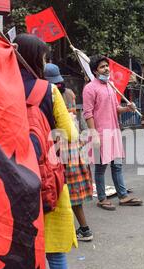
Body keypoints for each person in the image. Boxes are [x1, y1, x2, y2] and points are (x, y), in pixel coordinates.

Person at [15, 34, 77, 269]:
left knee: (19, 254)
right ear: (35, 59)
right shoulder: (48, 90)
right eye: (43, 57)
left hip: (11, 178)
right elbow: (69, 135)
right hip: (47, 178)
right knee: (55, 254)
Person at [82, 54, 143, 210]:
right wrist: (93, 134)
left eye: (106, 66)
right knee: (101, 167)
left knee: (117, 165)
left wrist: (127, 108)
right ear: (95, 71)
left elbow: (116, 109)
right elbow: (87, 113)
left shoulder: (110, 85)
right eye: (102, 67)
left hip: (114, 132)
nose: (106, 68)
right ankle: (102, 199)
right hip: (100, 133)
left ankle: (122, 196)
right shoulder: (89, 88)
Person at [44, 63, 94, 241]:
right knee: (73, 192)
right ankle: (84, 228)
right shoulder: (70, 93)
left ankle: (64, 231)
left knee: (57, 190)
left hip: (58, 146)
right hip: (73, 145)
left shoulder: (47, 96)